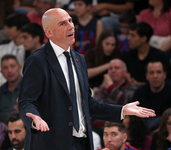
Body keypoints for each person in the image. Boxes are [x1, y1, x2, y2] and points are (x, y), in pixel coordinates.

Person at [18, 8, 156, 150]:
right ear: (49, 32)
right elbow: (27, 101)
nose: (71, 26)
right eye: (62, 24)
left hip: (81, 143)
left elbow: (87, 104)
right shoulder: (37, 60)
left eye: (70, 21)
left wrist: (122, 110)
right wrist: (34, 119)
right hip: (50, 143)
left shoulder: (79, 60)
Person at [0, 13, 29, 89]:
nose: (6, 30)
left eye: (9, 27)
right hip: (1, 91)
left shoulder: (30, 51)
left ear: (20, 29)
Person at [121, 22, 169, 86]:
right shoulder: (128, 56)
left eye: (133, 35)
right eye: (129, 35)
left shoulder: (159, 56)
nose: (129, 38)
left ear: (143, 39)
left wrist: (141, 85)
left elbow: (166, 80)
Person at [131, 60, 171, 131]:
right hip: (144, 131)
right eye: (151, 73)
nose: (155, 76)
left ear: (164, 75)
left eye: (158, 72)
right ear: (147, 76)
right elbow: (133, 117)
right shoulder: (139, 92)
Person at [0, 54, 22, 124]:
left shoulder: (31, 88)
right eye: (5, 68)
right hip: (1, 131)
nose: (9, 70)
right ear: (1, 72)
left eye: (12, 66)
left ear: (19, 68)